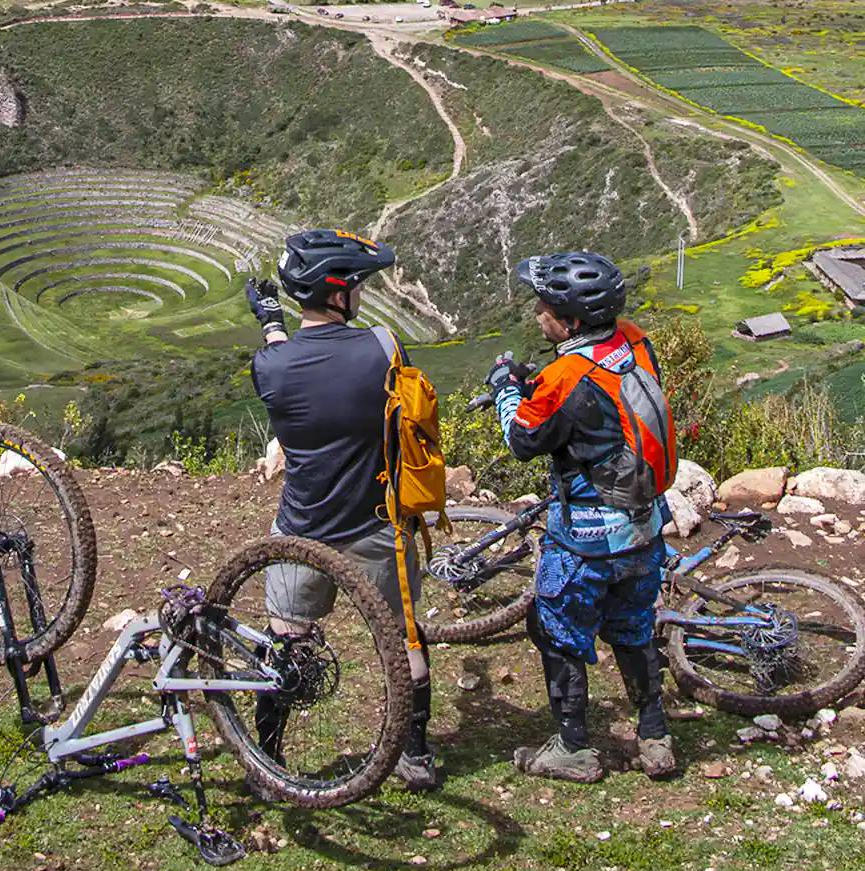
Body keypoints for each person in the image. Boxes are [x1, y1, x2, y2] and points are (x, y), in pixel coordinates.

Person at [244, 228, 439, 792]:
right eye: (356, 284)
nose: (361, 292)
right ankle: (416, 755)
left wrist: (270, 320)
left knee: (285, 640)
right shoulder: (384, 346)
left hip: (302, 529)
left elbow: (286, 354)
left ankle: (269, 759)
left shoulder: (270, 367)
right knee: (403, 639)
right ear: (337, 294)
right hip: (377, 523)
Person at [487, 251, 680, 783]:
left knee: (556, 629)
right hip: (644, 526)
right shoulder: (635, 341)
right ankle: (654, 736)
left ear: (570, 322)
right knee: (633, 628)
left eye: (545, 308)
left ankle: (573, 746)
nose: (537, 315)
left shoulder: (564, 377)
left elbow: (523, 439)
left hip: (587, 539)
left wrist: (505, 387)